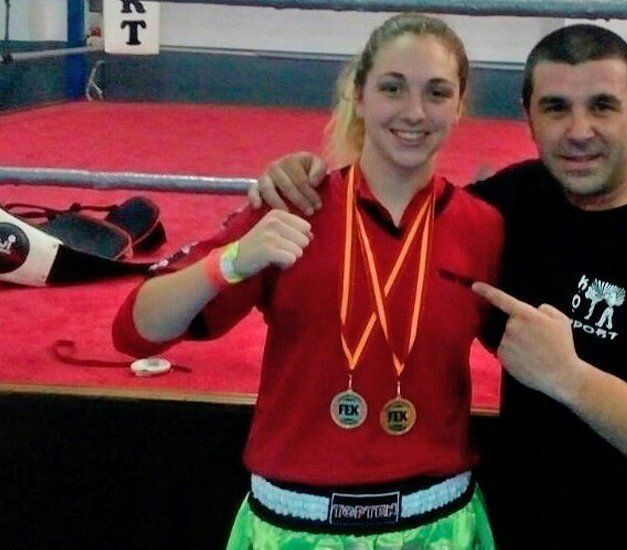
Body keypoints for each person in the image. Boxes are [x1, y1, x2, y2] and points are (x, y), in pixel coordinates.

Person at [249, 24, 627, 549]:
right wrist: (302, 179)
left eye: (603, 106)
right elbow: (400, 215)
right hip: (523, 522)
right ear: (529, 117)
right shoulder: (514, 203)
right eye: (556, 108)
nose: (579, 130)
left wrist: (571, 379)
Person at [113, 13, 503, 549]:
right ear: (359, 94)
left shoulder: (485, 227)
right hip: (294, 528)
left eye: (437, 93)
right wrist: (230, 261)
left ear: (460, 105)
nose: (414, 112)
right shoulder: (295, 206)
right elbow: (135, 331)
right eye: (393, 88)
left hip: (438, 525)